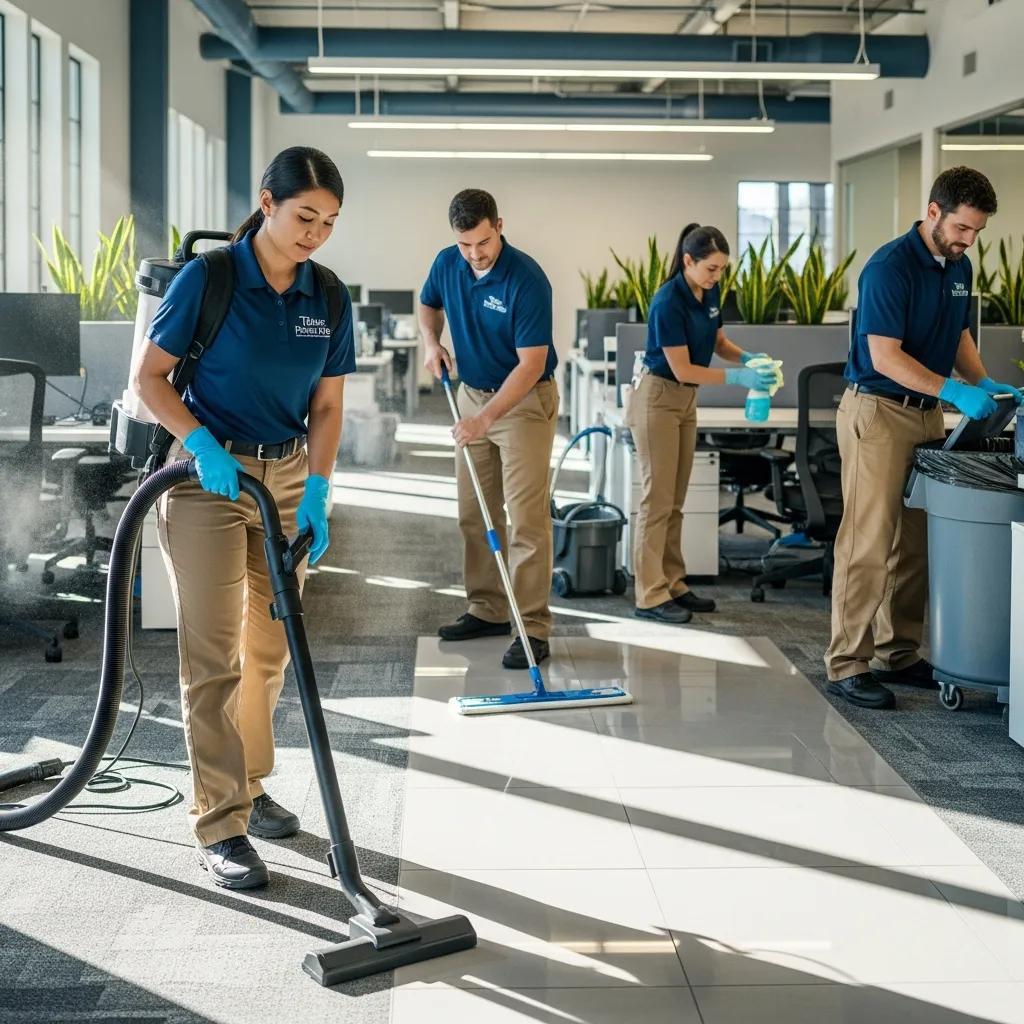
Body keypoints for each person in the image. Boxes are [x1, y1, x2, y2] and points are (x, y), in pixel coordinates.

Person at [134, 147, 355, 888]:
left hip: (287, 476)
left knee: (270, 647)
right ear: (267, 203)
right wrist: (198, 442)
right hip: (206, 477)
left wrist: (319, 489)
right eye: (303, 217)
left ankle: (251, 786)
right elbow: (149, 379)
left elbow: (327, 404)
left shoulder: (327, 294)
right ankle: (219, 821)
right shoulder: (212, 277)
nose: (315, 234)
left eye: (327, 222)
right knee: (214, 654)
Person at [826, 166, 1024, 710]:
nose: (969, 240)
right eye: (962, 228)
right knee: (867, 540)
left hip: (925, 414)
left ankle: (900, 651)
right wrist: (957, 393)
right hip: (878, 413)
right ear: (933, 211)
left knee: (913, 542)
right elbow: (885, 356)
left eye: (977, 232)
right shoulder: (889, 267)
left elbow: (958, 331)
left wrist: (981, 379)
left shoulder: (955, 265)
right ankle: (846, 663)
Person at [419, 189, 558, 670]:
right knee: (474, 512)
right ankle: (489, 609)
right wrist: (431, 341)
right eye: (465, 245)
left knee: (526, 520)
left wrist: (485, 418)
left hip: (521, 400)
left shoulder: (527, 279)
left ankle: (532, 627)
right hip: (471, 393)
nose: (475, 254)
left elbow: (531, 365)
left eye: (482, 242)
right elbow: (428, 303)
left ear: (498, 224)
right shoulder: (447, 262)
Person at [628, 223, 779, 625]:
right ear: (688, 261)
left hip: (685, 399)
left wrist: (748, 359)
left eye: (722, 270)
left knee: (675, 499)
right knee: (656, 501)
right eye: (711, 269)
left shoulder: (709, 292)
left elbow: (718, 342)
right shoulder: (667, 301)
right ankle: (649, 594)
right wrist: (736, 379)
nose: (717, 277)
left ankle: (673, 582)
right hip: (659, 396)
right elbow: (681, 367)